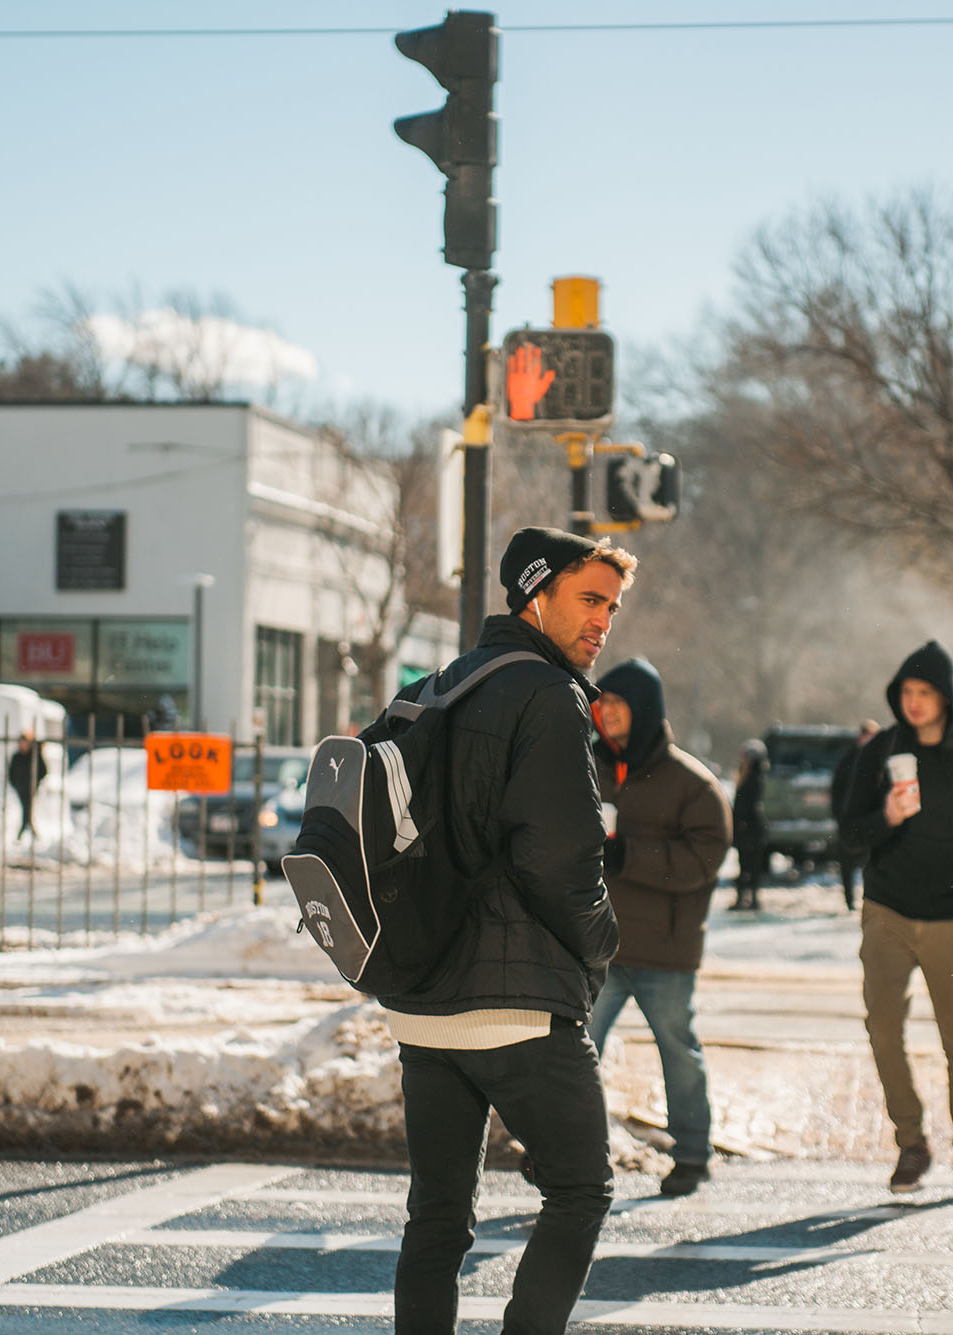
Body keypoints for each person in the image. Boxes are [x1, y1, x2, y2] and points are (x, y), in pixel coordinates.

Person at [381, 525, 631, 1335]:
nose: (603, 621)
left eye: (612, 606)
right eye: (589, 599)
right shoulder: (547, 695)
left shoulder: (440, 685)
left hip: (421, 1002)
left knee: (438, 1218)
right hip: (515, 1004)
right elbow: (560, 858)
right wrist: (600, 944)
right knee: (579, 1189)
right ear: (536, 593)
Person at [838, 641, 953, 1202]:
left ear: (946, 697)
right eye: (906, 693)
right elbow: (846, 836)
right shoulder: (881, 751)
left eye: (925, 693)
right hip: (887, 910)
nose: (914, 703)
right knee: (882, 1030)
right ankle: (911, 1143)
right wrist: (885, 817)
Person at [587, 658, 732, 1196]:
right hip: (595, 942)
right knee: (576, 1052)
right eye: (602, 705)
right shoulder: (587, 766)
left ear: (644, 710)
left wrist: (629, 854)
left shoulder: (691, 784)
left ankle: (692, 1153)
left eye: (618, 705)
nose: (607, 715)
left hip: (663, 946)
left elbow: (705, 857)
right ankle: (569, 1155)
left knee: (677, 1050)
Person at [831, 720, 882, 911]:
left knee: (871, 862)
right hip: (849, 819)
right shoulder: (848, 760)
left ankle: (871, 899)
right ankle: (849, 899)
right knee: (847, 862)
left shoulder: (880, 759)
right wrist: (839, 815)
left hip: (873, 820)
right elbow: (837, 789)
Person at [730, 739, 768, 911]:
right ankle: (748, 898)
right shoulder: (748, 776)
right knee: (747, 865)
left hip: (749, 828)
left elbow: (748, 805)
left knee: (749, 866)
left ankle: (749, 899)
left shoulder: (753, 777)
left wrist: (741, 822)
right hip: (748, 828)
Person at [6, 732, 46, 840]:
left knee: (28, 807)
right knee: (26, 808)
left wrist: (36, 782)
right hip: (20, 787)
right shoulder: (16, 756)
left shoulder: (34, 756)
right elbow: (11, 773)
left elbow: (43, 771)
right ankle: (29, 829)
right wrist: (15, 784)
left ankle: (25, 830)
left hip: (32, 787)